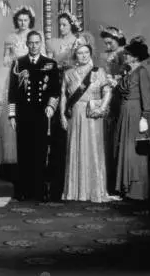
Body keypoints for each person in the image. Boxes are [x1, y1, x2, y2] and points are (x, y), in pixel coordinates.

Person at [60, 34, 116, 202]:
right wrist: (62, 115)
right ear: (75, 55)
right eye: (79, 53)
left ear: (90, 54)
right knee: (75, 148)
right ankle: (75, 191)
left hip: (92, 114)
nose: (83, 56)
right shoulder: (68, 73)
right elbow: (63, 95)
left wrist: (102, 108)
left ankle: (94, 190)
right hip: (75, 114)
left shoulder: (99, 72)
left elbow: (107, 92)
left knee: (92, 148)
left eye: (86, 53)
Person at [8, 30, 59, 201]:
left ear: (41, 43)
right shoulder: (18, 63)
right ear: (26, 44)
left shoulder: (50, 64)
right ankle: (23, 190)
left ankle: (38, 190)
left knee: (40, 152)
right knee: (24, 152)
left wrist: (51, 107)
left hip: (41, 114)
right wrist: (12, 115)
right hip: (23, 114)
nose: (34, 46)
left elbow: (55, 90)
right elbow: (12, 91)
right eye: (31, 42)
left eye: (37, 42)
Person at [0, 6, 44, 169]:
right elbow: (5, 59)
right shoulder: (10, 38)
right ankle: (14, 154)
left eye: (26, 20)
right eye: (20, 20)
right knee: (15, 108)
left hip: (33, 75)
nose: (23, 23)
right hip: (15, 75)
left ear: (30, 21)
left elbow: (42, 57)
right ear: (16, 21)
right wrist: (13, 59)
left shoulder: (37, 37)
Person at [44, 11, 83, 200]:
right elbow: (50, 64)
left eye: (65, 25)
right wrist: (59, 67)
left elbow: (83, 63)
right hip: (58, 83)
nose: (61, 28)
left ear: (72, 25)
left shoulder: (79, 41)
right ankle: (56, 178)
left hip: (75, 86)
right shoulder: (52, 42)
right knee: (58, 133)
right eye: (59, 24)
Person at [114, 36, 150, 200]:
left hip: (136, 113)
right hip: (124, 112)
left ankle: (136, 191)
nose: (126, 56)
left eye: (128, 54)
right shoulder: (127, 71)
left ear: (135, 56)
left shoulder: (142, 71)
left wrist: (145, 117)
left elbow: (147, 96)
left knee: (134, 151)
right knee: (124, 149)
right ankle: (124, 189)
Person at [99, 25, 127, 193]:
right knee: (107, 138)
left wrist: (114, 79)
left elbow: (127, 75)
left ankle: (118, 180)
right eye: (106, 43)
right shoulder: (105, 55)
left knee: (118, 137)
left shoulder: (125, 54)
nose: (107, 46)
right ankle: (106, 178)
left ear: (117, 40)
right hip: (106, 96)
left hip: (119, 97)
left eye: (110, 43)